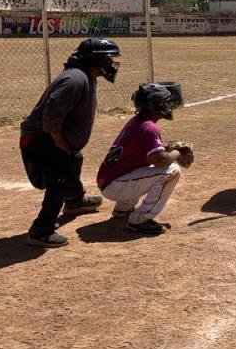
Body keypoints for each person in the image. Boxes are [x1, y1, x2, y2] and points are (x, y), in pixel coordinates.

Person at [19, 38, 121, 247]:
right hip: (42, 139)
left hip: (51, 137)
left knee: (74, 159)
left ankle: (74, 201)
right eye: (108, 58)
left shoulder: (86, 75)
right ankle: (41, 230)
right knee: (60, 178)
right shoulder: (76, 78)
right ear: (96, 59)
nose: (111, 63)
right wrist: (59, 142)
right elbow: (52, 112)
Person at [96, 83, 193, 235]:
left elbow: (146, 153)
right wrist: (177, 153)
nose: (168, 105)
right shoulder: (149, 127)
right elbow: (160, 160)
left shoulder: (139, 121)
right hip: (115, 184)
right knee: (171, 171)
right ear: (154, 106)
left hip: (111, 180)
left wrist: (168, 149)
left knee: (147, 170)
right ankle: (140, 219)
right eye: (164, 102)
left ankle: (124, 208)